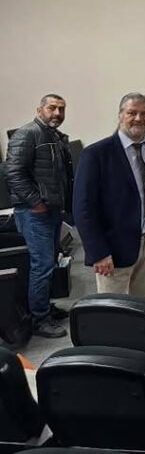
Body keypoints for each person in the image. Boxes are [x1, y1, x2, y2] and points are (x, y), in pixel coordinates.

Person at [73, 93, 145, 298]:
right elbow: (83, 208)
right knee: (113, 308)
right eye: (132, 113)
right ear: (120, 115)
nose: (139, 118)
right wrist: (98, 252)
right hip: (114, 246)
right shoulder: (96, 154)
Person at [6, 94, 74, 338]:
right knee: (42, 265)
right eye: (52, 108)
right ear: (39, 110)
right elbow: (13, 173)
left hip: (52, 210)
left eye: (61, 109)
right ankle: (39, 319)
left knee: (49, 262)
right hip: (34, 212)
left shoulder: (54, 136)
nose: (57, 113)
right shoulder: (27, 134)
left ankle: (44, 306)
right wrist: (35, 202)